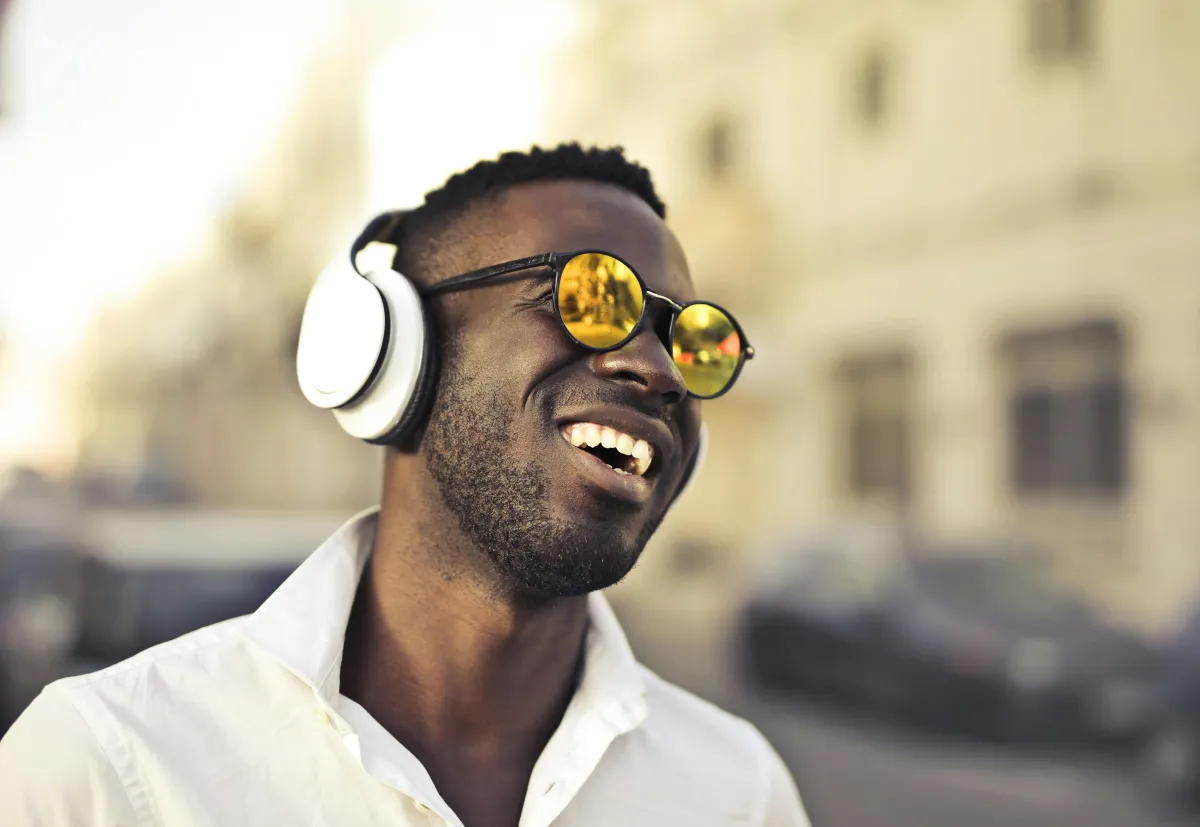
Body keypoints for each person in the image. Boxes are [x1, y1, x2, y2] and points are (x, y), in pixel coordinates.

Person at [0, 144, 810, 826]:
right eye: (592, 297)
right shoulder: (104, 772)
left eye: (694, 339)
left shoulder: (742, 792)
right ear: (389, 353)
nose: (661, 369)